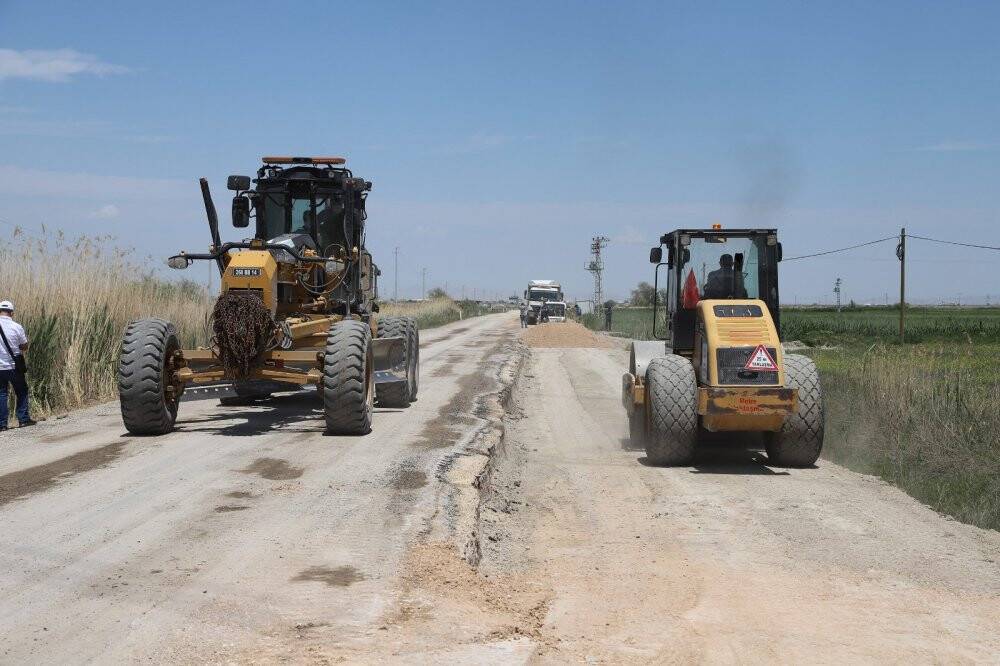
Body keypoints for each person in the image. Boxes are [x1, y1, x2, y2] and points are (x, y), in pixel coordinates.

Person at [0, 300, 35, 430]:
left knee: (1, 394)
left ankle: (2, 424)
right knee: (22, 391)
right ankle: (23, 420)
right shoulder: (16, 326)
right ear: (12, 313)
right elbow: (24, 346)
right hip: (14, 366)